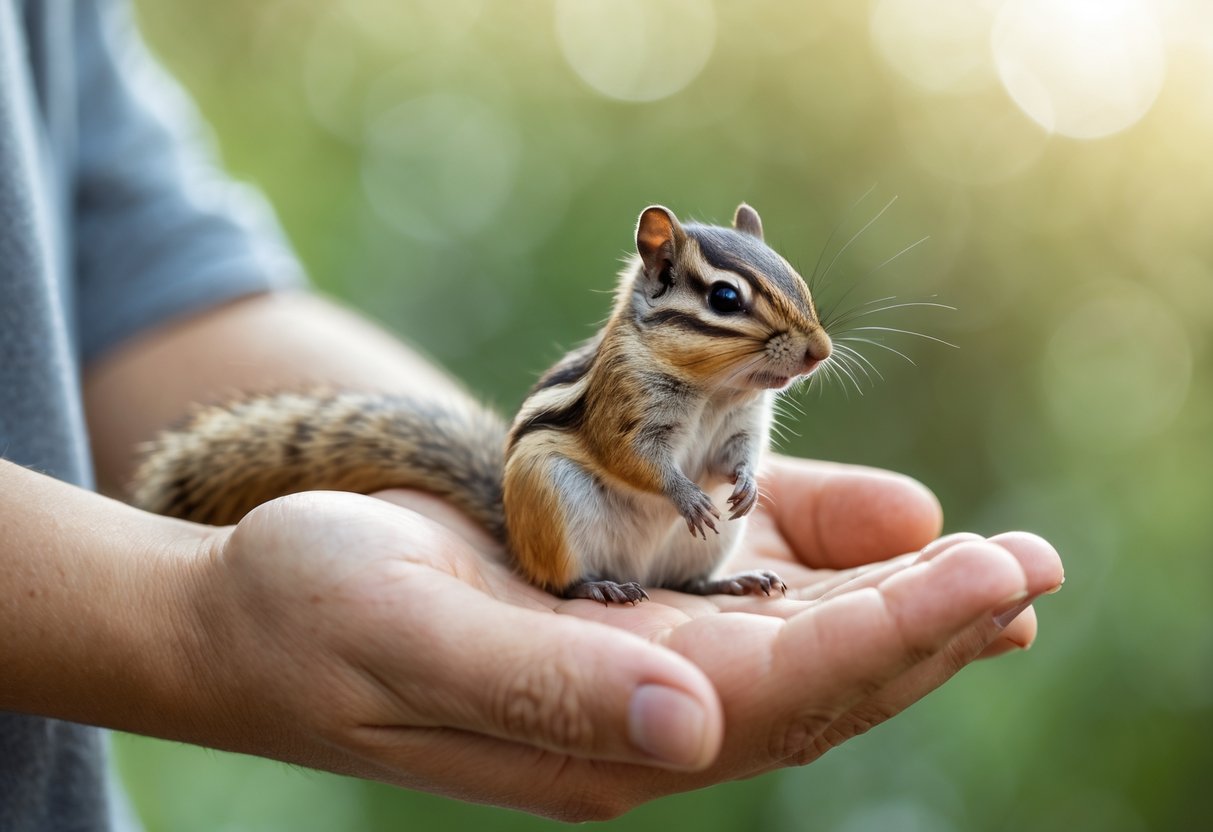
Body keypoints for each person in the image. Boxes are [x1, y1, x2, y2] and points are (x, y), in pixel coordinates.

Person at [0, 1, 1064, 829]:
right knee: (579, 470)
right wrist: (183, 615)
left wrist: (730, 475)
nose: (798, 349)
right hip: (582, 495)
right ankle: (575, 574)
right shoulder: (637, 370)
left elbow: (142, 272)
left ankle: (674, 573)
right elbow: (623, 448)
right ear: (658, 281)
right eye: (742, 313)